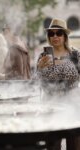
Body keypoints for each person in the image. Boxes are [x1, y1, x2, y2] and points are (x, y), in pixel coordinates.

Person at [37, 18, 80, 150]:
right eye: (51, 33)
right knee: (53, 144)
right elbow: (35, 81)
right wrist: (39, 68)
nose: (55, 36)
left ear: (65, 36)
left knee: (74, 143)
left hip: (72, 103)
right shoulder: (43, 55)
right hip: (51, 104)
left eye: (59, 33)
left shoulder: (75, 55)